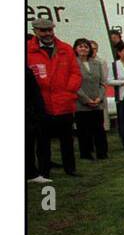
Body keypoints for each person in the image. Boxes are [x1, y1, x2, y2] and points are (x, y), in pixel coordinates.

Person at [26, 19, 81, 178]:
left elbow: (75, 73)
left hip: (64, 103)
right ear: (35, 31)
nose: (48, 34)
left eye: (50, 30)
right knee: (43, 142)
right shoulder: (28, 51)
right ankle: (44, 171)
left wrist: (69, 91)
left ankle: (70, 169)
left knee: (67, 140)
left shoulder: (65, 48)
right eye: (43, 31)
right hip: (41, 105)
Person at [73, 38, 109, 161]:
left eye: (86, 47)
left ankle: (102, 153)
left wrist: (99, 97)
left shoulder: (96, 63)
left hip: (97, 101)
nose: (83, 49)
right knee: (83, 129)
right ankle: (86, 153)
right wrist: (86, 99)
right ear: (75, 49)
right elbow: (74, 84)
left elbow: (103, 83)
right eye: (80, 46)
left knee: (99, 128)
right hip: (81, 103)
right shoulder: (73, 63)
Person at [27, 66, 48, 182]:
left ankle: (31, 173)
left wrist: (40, 111)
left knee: (29, 142)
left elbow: (35, 93)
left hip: (29, 112)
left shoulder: (26, 71)